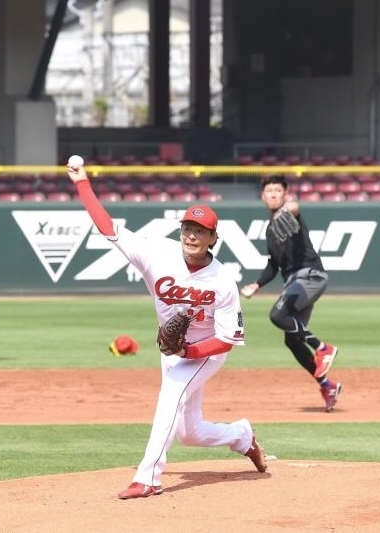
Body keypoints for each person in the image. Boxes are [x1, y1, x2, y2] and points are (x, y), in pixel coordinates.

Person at [67, 162, 267, 500]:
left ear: (213, 238)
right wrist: (83, 183)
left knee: (170, 394)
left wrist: (189, 352)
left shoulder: (222, 282)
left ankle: (148, 478)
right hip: (170, 348)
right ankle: (241, 436)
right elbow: (108, 229)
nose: (192, 235)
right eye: (188, 227)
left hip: (205, 350)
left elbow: (226, 340)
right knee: (189, 432)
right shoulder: (156, 253)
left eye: (200, 230)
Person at [240, 174, 341, 412]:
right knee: (292, 339)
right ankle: (327, 385)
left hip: (310, 275)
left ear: (285, 194)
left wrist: (286, 210)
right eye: (269, 191)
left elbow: (295, 207)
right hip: (295, 283)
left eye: (278, 190)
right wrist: (257, 285)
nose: (274, 194)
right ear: (262, 196)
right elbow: (274, 265)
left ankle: (322, 347)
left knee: (277, 315)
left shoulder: (288, 213)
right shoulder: (270, 230)